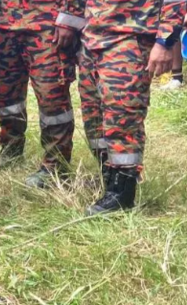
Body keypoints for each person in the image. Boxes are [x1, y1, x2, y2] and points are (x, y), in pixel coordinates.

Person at [79, 0, 186, 215]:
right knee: (93, 118)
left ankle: (122, 193)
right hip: (92, 38)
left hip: (131, 36)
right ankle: (108, 177)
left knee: (123, 116)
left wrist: (164, 42)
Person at [0, 0, 83, 188]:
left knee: (51, 96)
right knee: (7, 94)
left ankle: (56, 164)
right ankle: (11, 146)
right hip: (4, 23)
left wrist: (70, 18)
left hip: (48, 23)